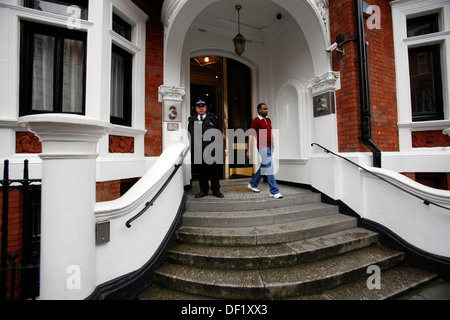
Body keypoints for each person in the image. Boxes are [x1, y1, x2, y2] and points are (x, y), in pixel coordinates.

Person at [188, 99, 224, 198]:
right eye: (198, 106)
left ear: (206, 107)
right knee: (201, 172)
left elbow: (219, 133)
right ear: (195, 108)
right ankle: (203, 191)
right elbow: (190, 135)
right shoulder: (192, 119)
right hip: (199, 151)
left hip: (212, 150)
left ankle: (216, 190)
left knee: (214, 172)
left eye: (203, 106)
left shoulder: (212, 118)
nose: (201, 108)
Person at [246, 103, 283, 199]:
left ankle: (253, 184)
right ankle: (274, 191)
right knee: (269, 166)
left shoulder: (268, 120)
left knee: (265, 166)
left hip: (270, 146)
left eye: (267, 109)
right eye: (264, 109)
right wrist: (248, 150)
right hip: (262, 146)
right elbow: (251, 134)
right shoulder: (256, 121)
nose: (266, 110)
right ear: (259, 110)